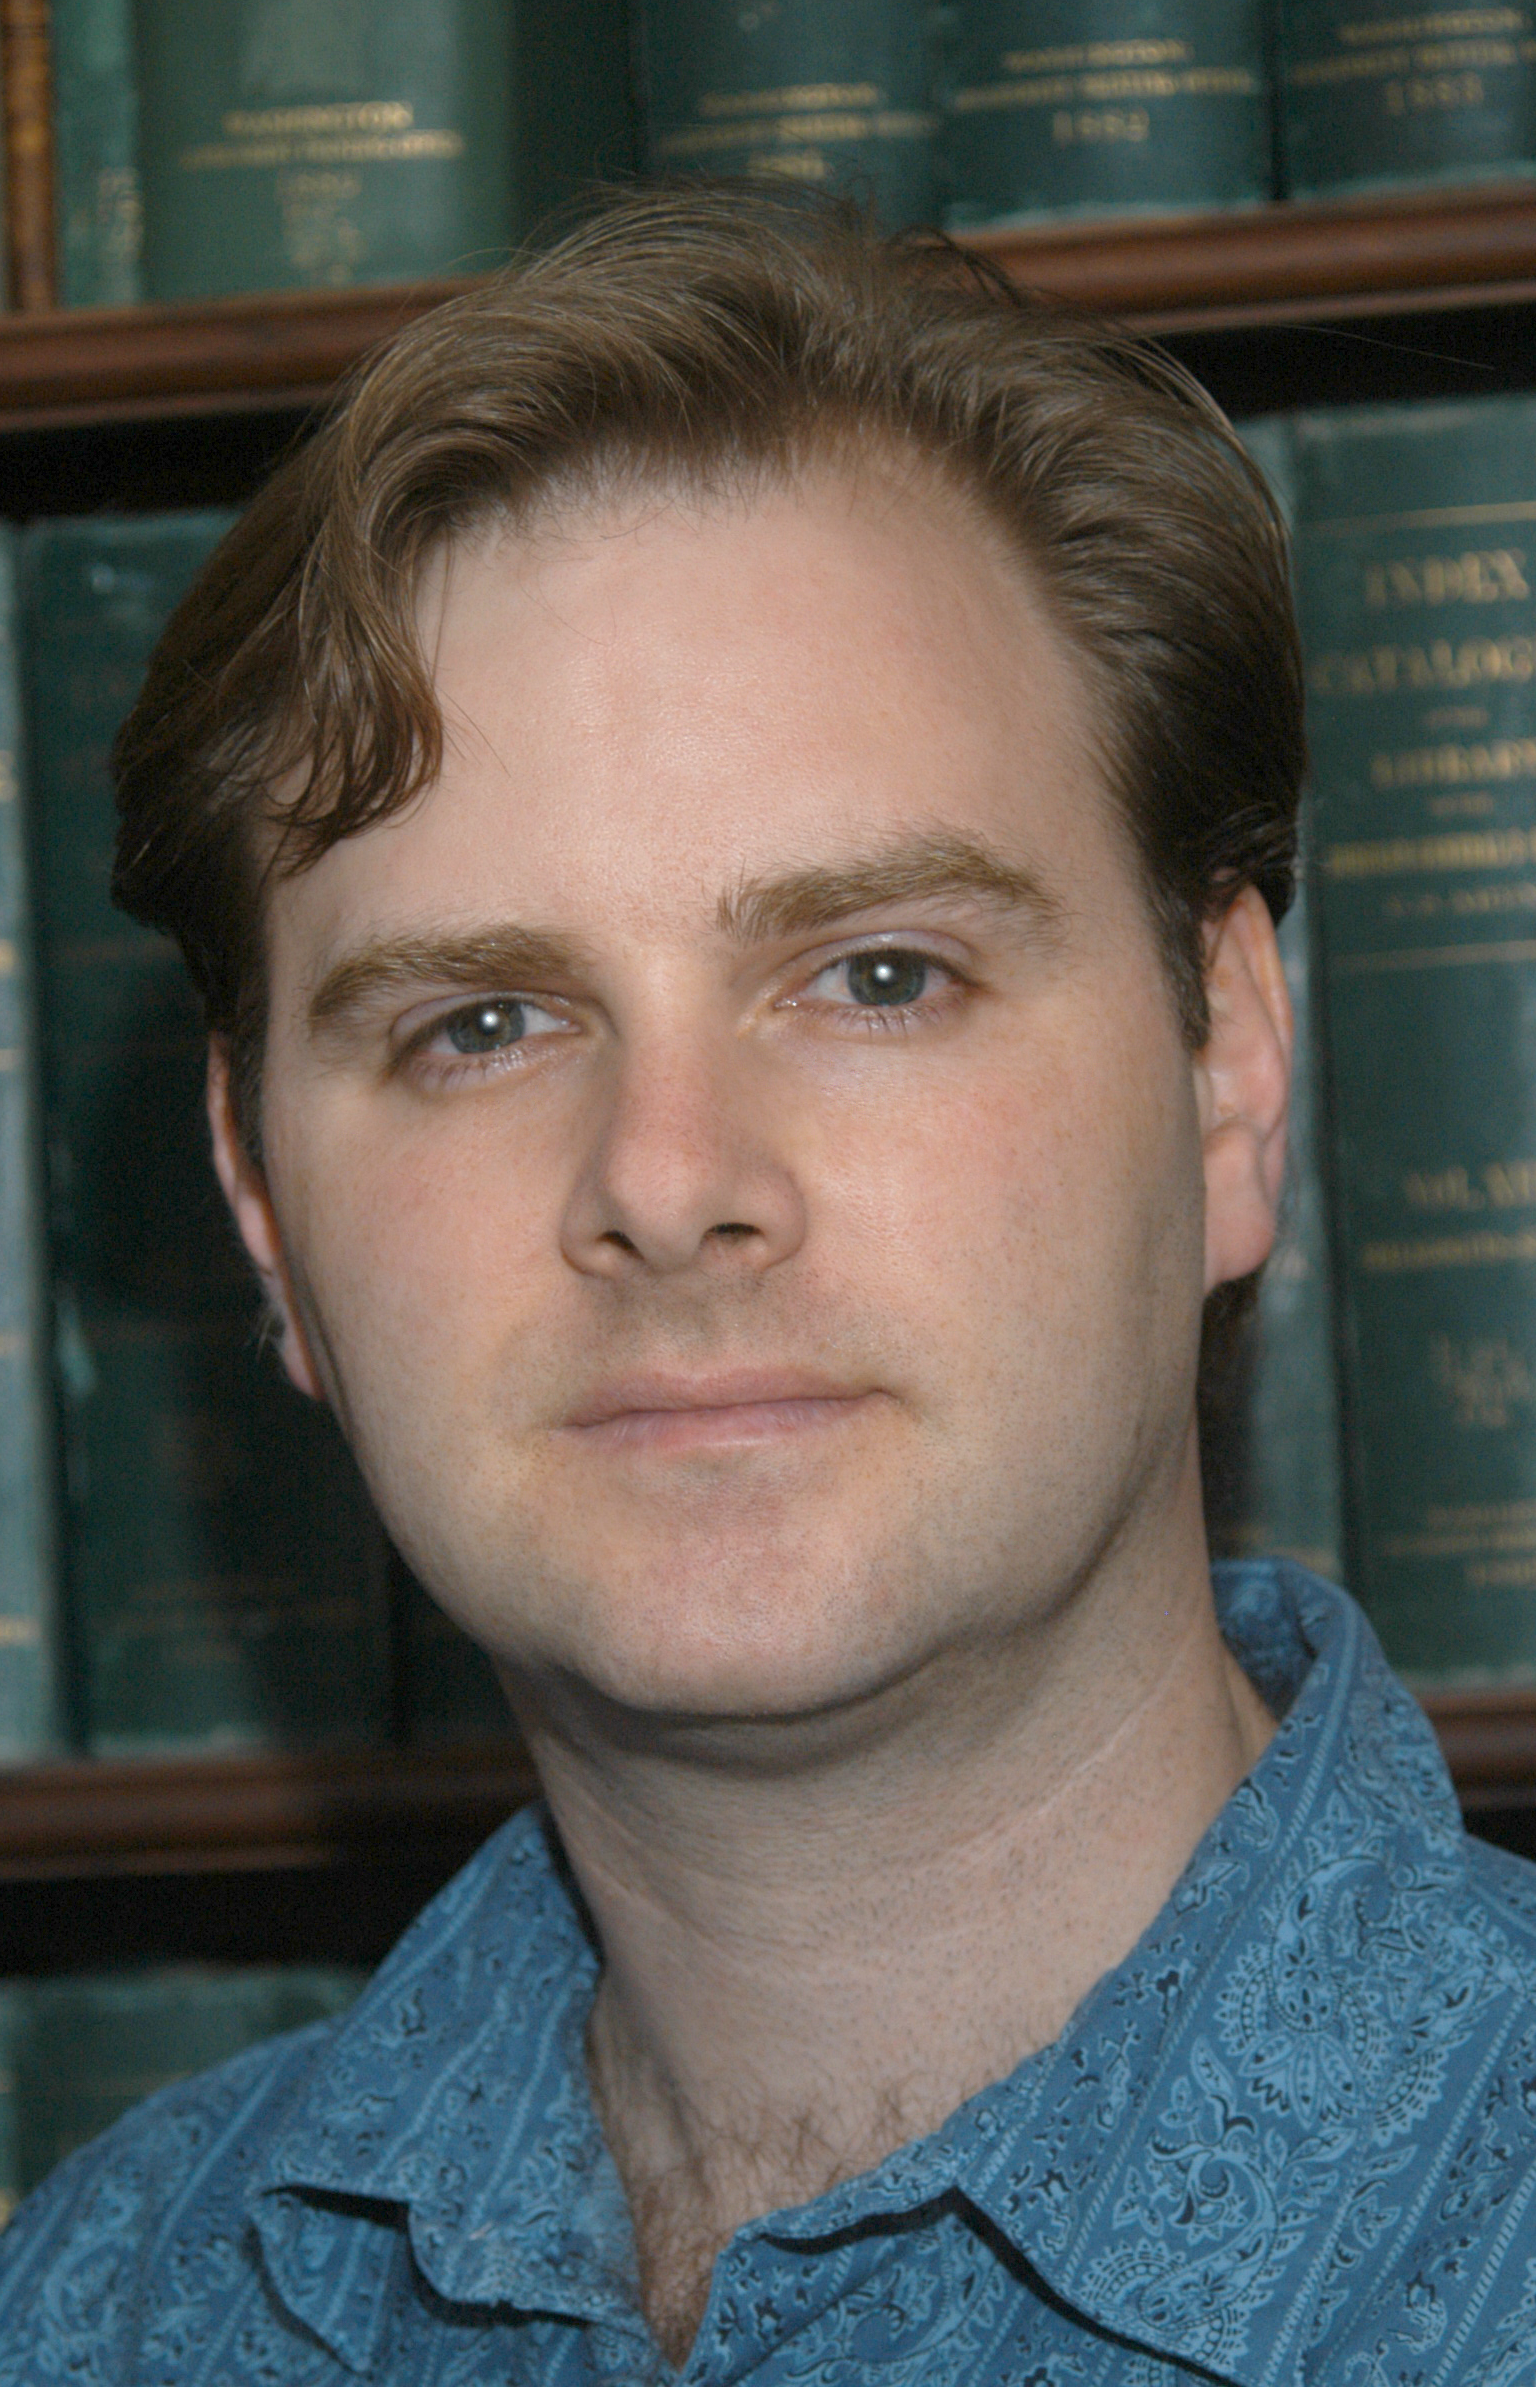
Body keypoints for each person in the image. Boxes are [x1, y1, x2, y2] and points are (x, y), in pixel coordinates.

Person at [3, 188, 1534, 2387]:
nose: (667, 1180)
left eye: (879, 974)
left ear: (1229, 1075)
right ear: (266, 1213)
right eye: (482, 1025)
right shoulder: (102, 2312)